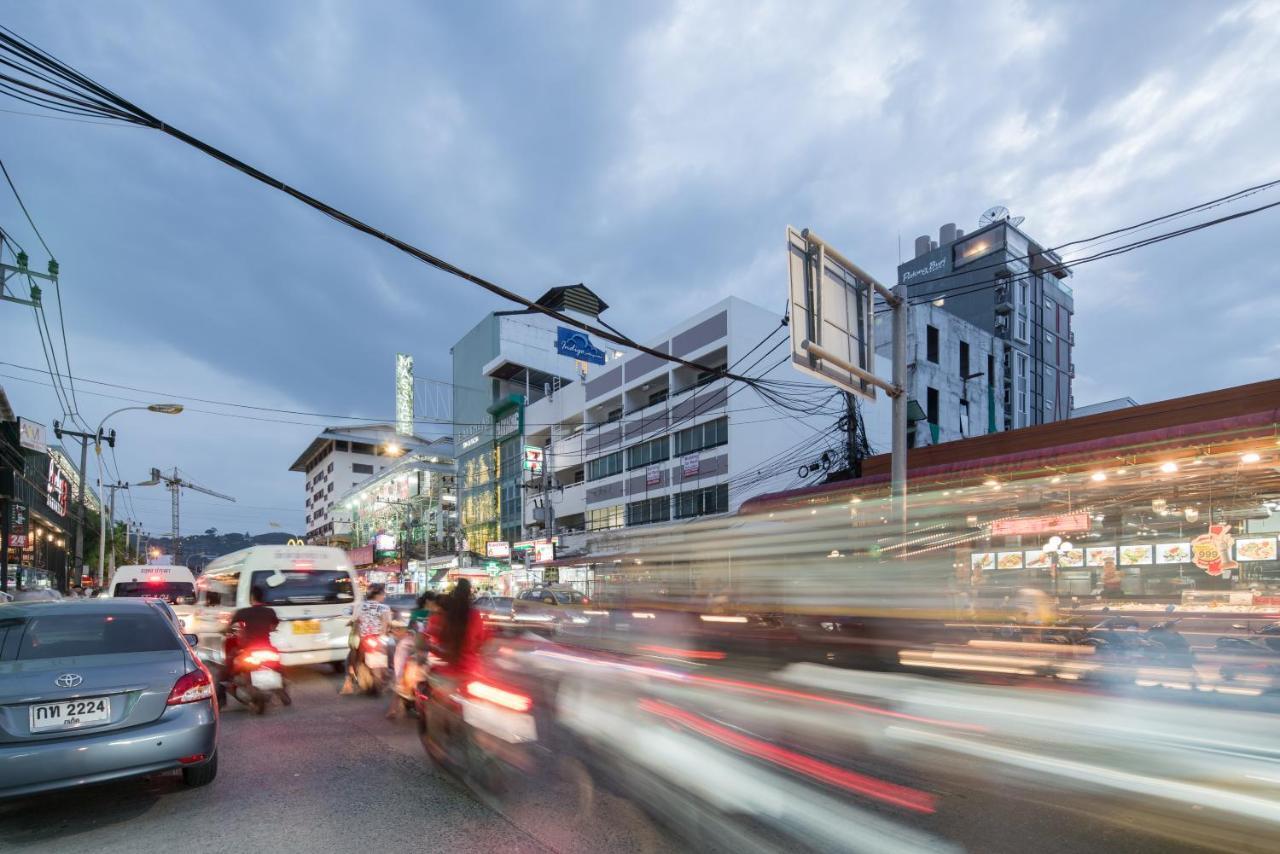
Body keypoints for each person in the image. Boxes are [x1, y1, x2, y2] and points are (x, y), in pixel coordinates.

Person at [341, 583, 392, 694]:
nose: (384, 596)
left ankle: (348, 681)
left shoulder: (359, 606)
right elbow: (386, 624)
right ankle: (390, 678)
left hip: (363, 639)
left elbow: (354, 620)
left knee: (350, 657)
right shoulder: (384, 608)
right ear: (378, 594)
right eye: (383, 594)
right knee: (391, 652)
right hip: (379, 639)